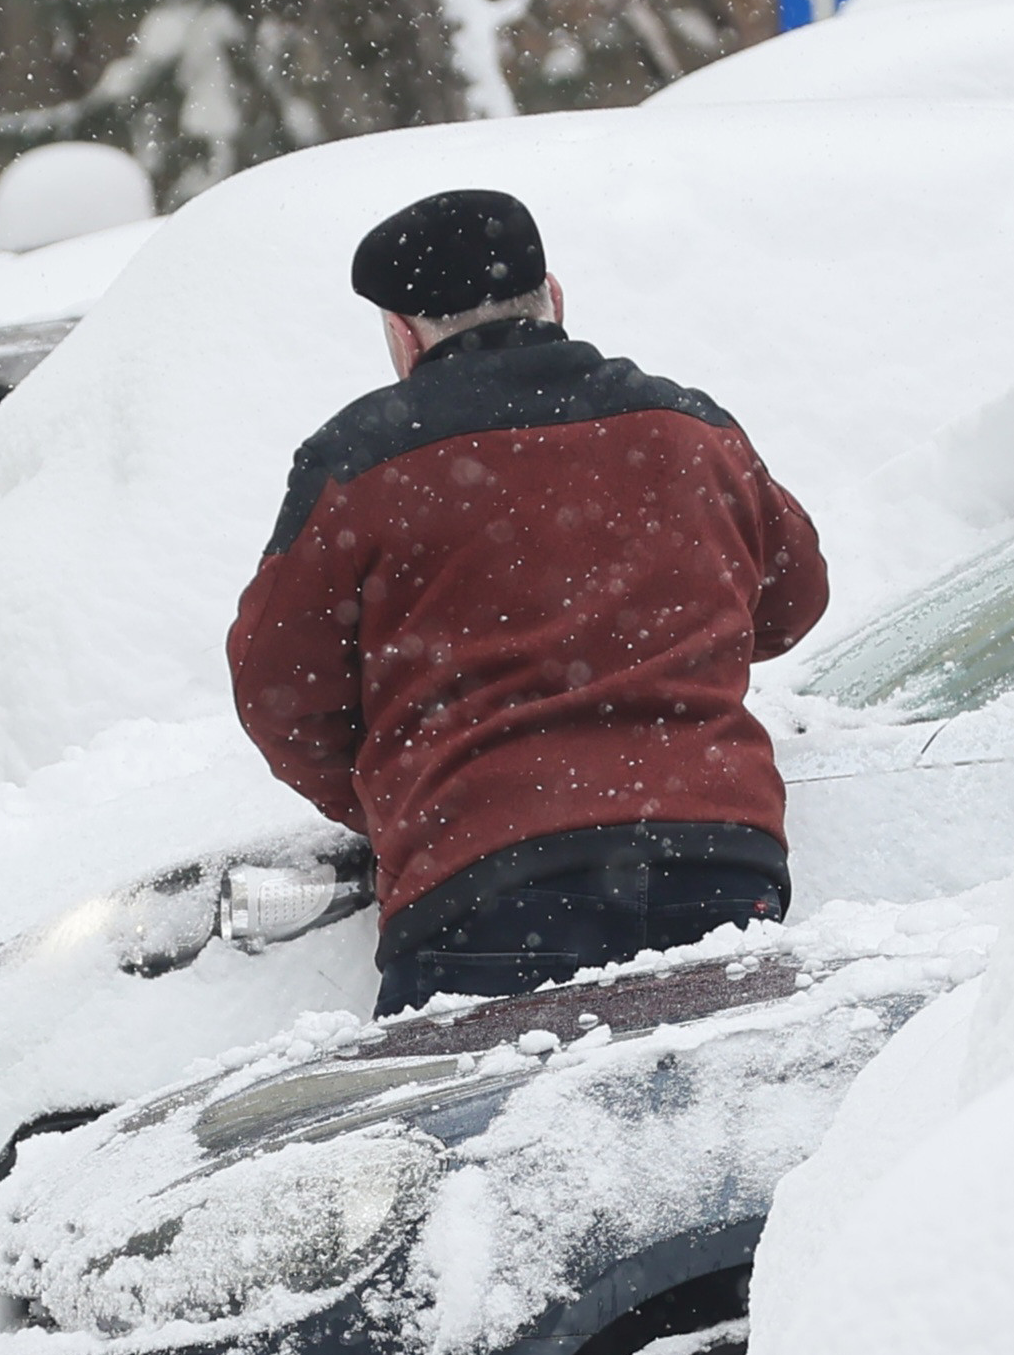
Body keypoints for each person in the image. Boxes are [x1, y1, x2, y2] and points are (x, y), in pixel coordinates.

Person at [226, 188, 830, 1015]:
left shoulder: (358, 468)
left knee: (483, 1137)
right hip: (714, 858)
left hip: (482, 891)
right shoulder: (687, 428)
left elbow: (279, 693)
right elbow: (792, 601)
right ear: (553, 296)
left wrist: (404, 791)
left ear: (403, 336)